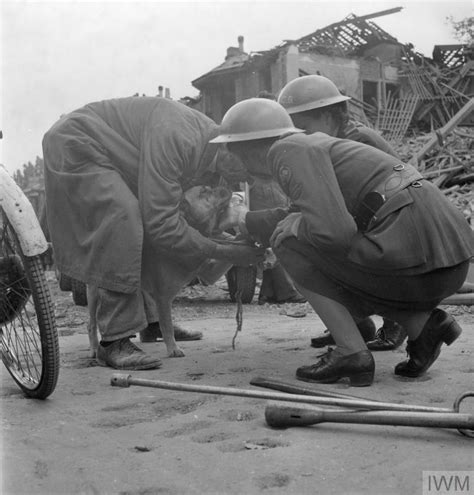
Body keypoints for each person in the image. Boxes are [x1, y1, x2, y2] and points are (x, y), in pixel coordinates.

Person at [212, 98, 473, 386]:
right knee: (298, 235)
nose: (235, 166)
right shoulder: (310, 146)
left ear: (247, 147)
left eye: (231, 151)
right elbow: (298, 215)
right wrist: (247, 220)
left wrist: (295, 225)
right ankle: (422, 326)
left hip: (419, 258)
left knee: (288, 244)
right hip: (445, 257)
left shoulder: (284, 152)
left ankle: (352, 352)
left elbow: (334, 234)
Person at [42, 96, 264, 370]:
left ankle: (151, 322)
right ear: (231, 149)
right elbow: (163, 224)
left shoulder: (211, 154)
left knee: (146, 221)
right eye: (246, 169)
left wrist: (238, 238)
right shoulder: (179, 138)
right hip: (77, 143)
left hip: (117, 155)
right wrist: (223, 251)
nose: (243, 179)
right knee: (123, 217)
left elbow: (192, 225)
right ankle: (114, 340)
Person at [278, 75, 405, 350]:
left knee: (345, 248)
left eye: (304, 127)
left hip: (389, 220)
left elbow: (387, 189)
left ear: (328, 116)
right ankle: (355, 323)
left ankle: (396, 320)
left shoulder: (358, 140)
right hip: (362, 216)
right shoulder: (322, 143)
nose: (300, 136)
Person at [250, 91, 305, 305]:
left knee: (268, 239)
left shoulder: (251, 125)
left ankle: (269, 292)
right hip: (269, 186)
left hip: (258, 188)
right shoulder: (271, 126)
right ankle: (287, 291)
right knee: (279, 236)